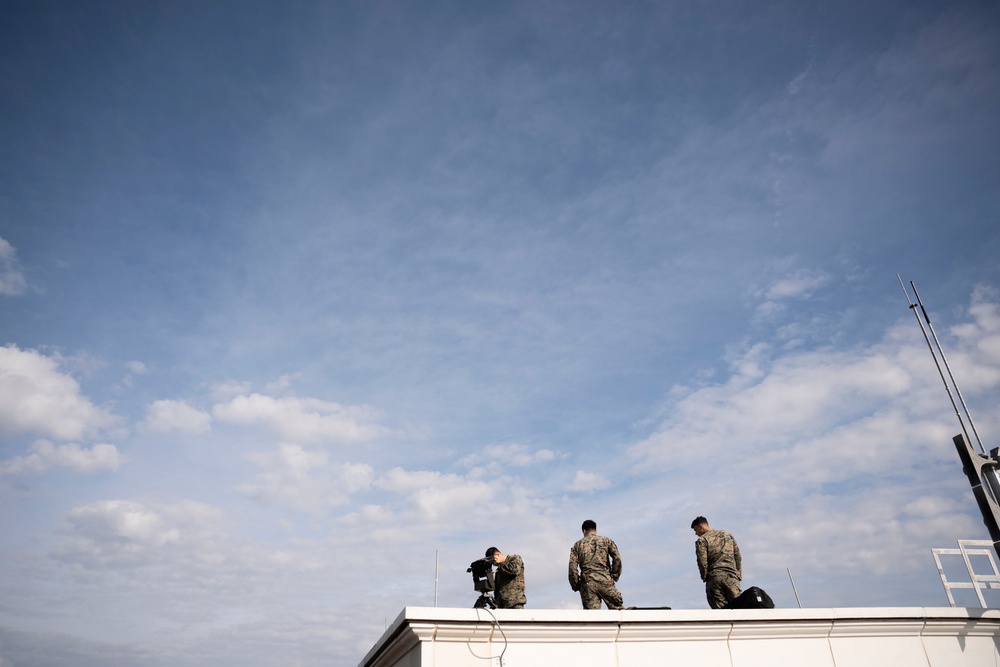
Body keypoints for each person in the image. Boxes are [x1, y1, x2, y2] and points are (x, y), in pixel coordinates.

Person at [568, 519, 624, 609]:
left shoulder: (577, 545)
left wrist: (576, 584)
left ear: (584, 531)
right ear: (595, 530)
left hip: (587, 583)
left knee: (592, 617)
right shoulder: (606, 541)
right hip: (606, 580)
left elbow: (572, 567)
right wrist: (614, 575)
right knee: (618, 611)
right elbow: (617, 558)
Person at [691, 516, 742, 609]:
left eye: (695, 530)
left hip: (714, 578)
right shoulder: (727, 534)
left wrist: (704, 576)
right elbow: (737, 556)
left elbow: (702, 561)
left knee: (720, 611)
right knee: (738, 606)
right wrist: (738, 574)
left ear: (701, 526)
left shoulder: (702, 540)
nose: (695, 533)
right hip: (731, 576)